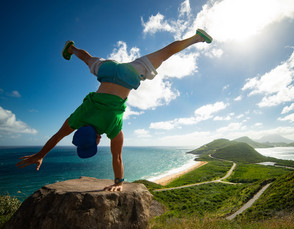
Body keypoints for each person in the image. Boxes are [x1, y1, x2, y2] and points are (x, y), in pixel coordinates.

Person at [16, 29, 213, 192]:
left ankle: (196, 39)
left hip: (130, 75)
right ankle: (72, 48)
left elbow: (117, 158)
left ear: (97, 139)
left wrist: (118, 183)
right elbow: (57, 136)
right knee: (88, 59)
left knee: (163, 55)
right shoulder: (77, 118)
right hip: (108, 70)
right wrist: (40, 154)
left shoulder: (112, 127)